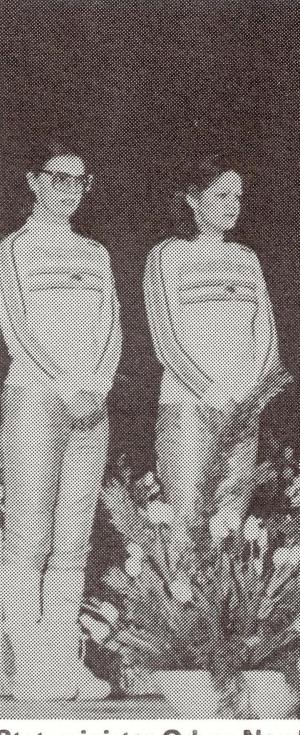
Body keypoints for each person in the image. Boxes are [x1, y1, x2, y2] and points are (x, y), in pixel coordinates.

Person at [0, 141, 121, 701]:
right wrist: (66, 384)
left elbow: (111, 329)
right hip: (35, 396)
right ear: (33, 180)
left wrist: (94, 386)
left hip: (90, 404)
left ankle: (63, 656)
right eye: (59, 179)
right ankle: (23, 662)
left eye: (80, 181)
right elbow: (17, 326)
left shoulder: (95, 254)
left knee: (74, 539)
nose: (70, 190)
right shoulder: (13, 250)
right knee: (28, 536)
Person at [144, 155, 280, 540]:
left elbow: (266, 335)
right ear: (192, 199)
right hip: (190, 406)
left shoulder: (246, 258)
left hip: (243, 408)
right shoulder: (168, 255)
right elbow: (166, 338)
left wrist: (251, 395)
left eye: (237, 198)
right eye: (222, 196)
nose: (233, 206)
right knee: (187, 530)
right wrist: (213, 391)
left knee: (229, 531)